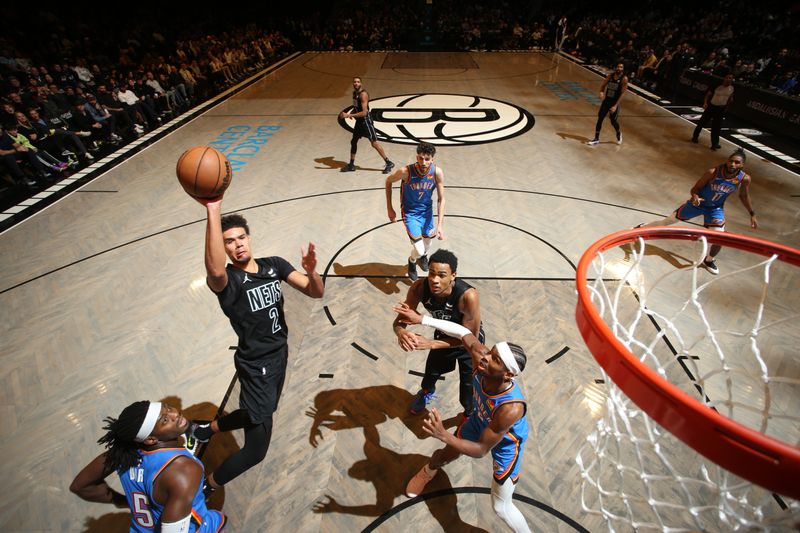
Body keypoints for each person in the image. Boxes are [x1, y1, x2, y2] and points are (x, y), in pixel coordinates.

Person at [185, 199, 324, 497]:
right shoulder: (228, 281)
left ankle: (204, 430)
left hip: (279, 356)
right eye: (229, 242)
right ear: (222, 248)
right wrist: (212, 210)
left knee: (256, 411)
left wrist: (312, 271)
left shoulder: (274, 265)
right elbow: (214, 269)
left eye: (241, 238)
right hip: (255, 365)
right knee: (256, 450)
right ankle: (207, 486)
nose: (237, 245)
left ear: (249, 237)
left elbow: (315, 292)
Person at [394, 304, 531, 533]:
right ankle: (428, 472)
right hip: (479, 421)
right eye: (490, 352)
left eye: (495, 359)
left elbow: (479, 450)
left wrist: (443, 434)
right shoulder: (482, 358)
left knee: (500, 507)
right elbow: (462, 332)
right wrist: (422, 319)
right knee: (444, 455)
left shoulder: (511, 408)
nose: (486, 357)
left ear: (508, 374)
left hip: (506, 444)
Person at [70, 400, 227, 532]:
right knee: (219, 518)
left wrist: (124, 502)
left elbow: (80, 486)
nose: (175, 414)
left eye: (167, 407)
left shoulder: (121, 453)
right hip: (194, 527)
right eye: (164, 420)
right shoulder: (184, 470)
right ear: (151, 439)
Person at [637, 148, 757, 275]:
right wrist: (694, 197)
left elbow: (743, 196)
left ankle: (709, 260)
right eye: (731, 161)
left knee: (720, 238)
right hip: (697, 205)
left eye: (737, 162)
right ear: (727, 161)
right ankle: (642, 228)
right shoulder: (713, 172)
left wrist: (752, 214)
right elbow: (695, 189)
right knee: (668, 221)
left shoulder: (744, 179)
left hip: (715, 209)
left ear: (742, 165)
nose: (733, 164)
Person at [392, 249, 483, 416]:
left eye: (441, 275)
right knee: (430, 376)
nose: (434, 280)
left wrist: (431, 344)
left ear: (453, 275)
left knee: (468, 390)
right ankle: (426, 393)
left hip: (468, 344)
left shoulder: (468, 296)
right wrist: (400, 333)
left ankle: (469, 413)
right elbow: (399, 322)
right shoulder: (419, 287)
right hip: (444, 335)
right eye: (431, 273)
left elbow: (471, 339)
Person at [385, 141, 445, 281]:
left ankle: (422, 257)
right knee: (418, 249)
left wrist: (440, 225)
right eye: (420, 158)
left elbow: (441, 199)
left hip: (427, 213)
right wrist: (390, 208)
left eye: (427, 159)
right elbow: (388, 181)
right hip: (410, 213)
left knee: (428, 244)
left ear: (432, 159)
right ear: (416, 157)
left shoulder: (437, 172)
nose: (423, 162)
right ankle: (412, 261)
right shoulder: (405, 172)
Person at [339, 76, 394, 173]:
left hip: (366, 122)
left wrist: (348, 115)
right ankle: (351, 165)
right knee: (353, 141)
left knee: (374, 143)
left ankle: (388, 162)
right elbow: (356, 107)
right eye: (354, 82)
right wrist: (353, 114)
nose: (356, 83)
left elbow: (364, 112)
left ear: (361, 84)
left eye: (358, 82)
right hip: (359, 122)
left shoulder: (363, 95)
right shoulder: (354, 94)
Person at [587, 62, 627, 146]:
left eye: (621, 67)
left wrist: (615, 106)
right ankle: (596, 139)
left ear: (623, 69)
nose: (619, 68)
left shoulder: (624, 79)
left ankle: (618, 133)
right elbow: (603, 85)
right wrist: (601, 92)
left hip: (614, 103)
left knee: (613, 121)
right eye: (618, 66)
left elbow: (623, 93)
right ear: (615, 67)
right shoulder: (610, 76)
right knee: (600, 118)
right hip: (606, 101)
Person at [692, 73, 734, 150]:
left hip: (720, 110)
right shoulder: (717, 85)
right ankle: (695, 137)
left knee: (716, 127)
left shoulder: (732, 88)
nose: (729, 79)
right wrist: (705, 103)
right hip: (711, 107)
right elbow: (708, 94)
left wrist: (726, 108)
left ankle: (715, 144)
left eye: (730, 78)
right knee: (702, 122)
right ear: (724, 78)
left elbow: (730, 99)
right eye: (728, 77)